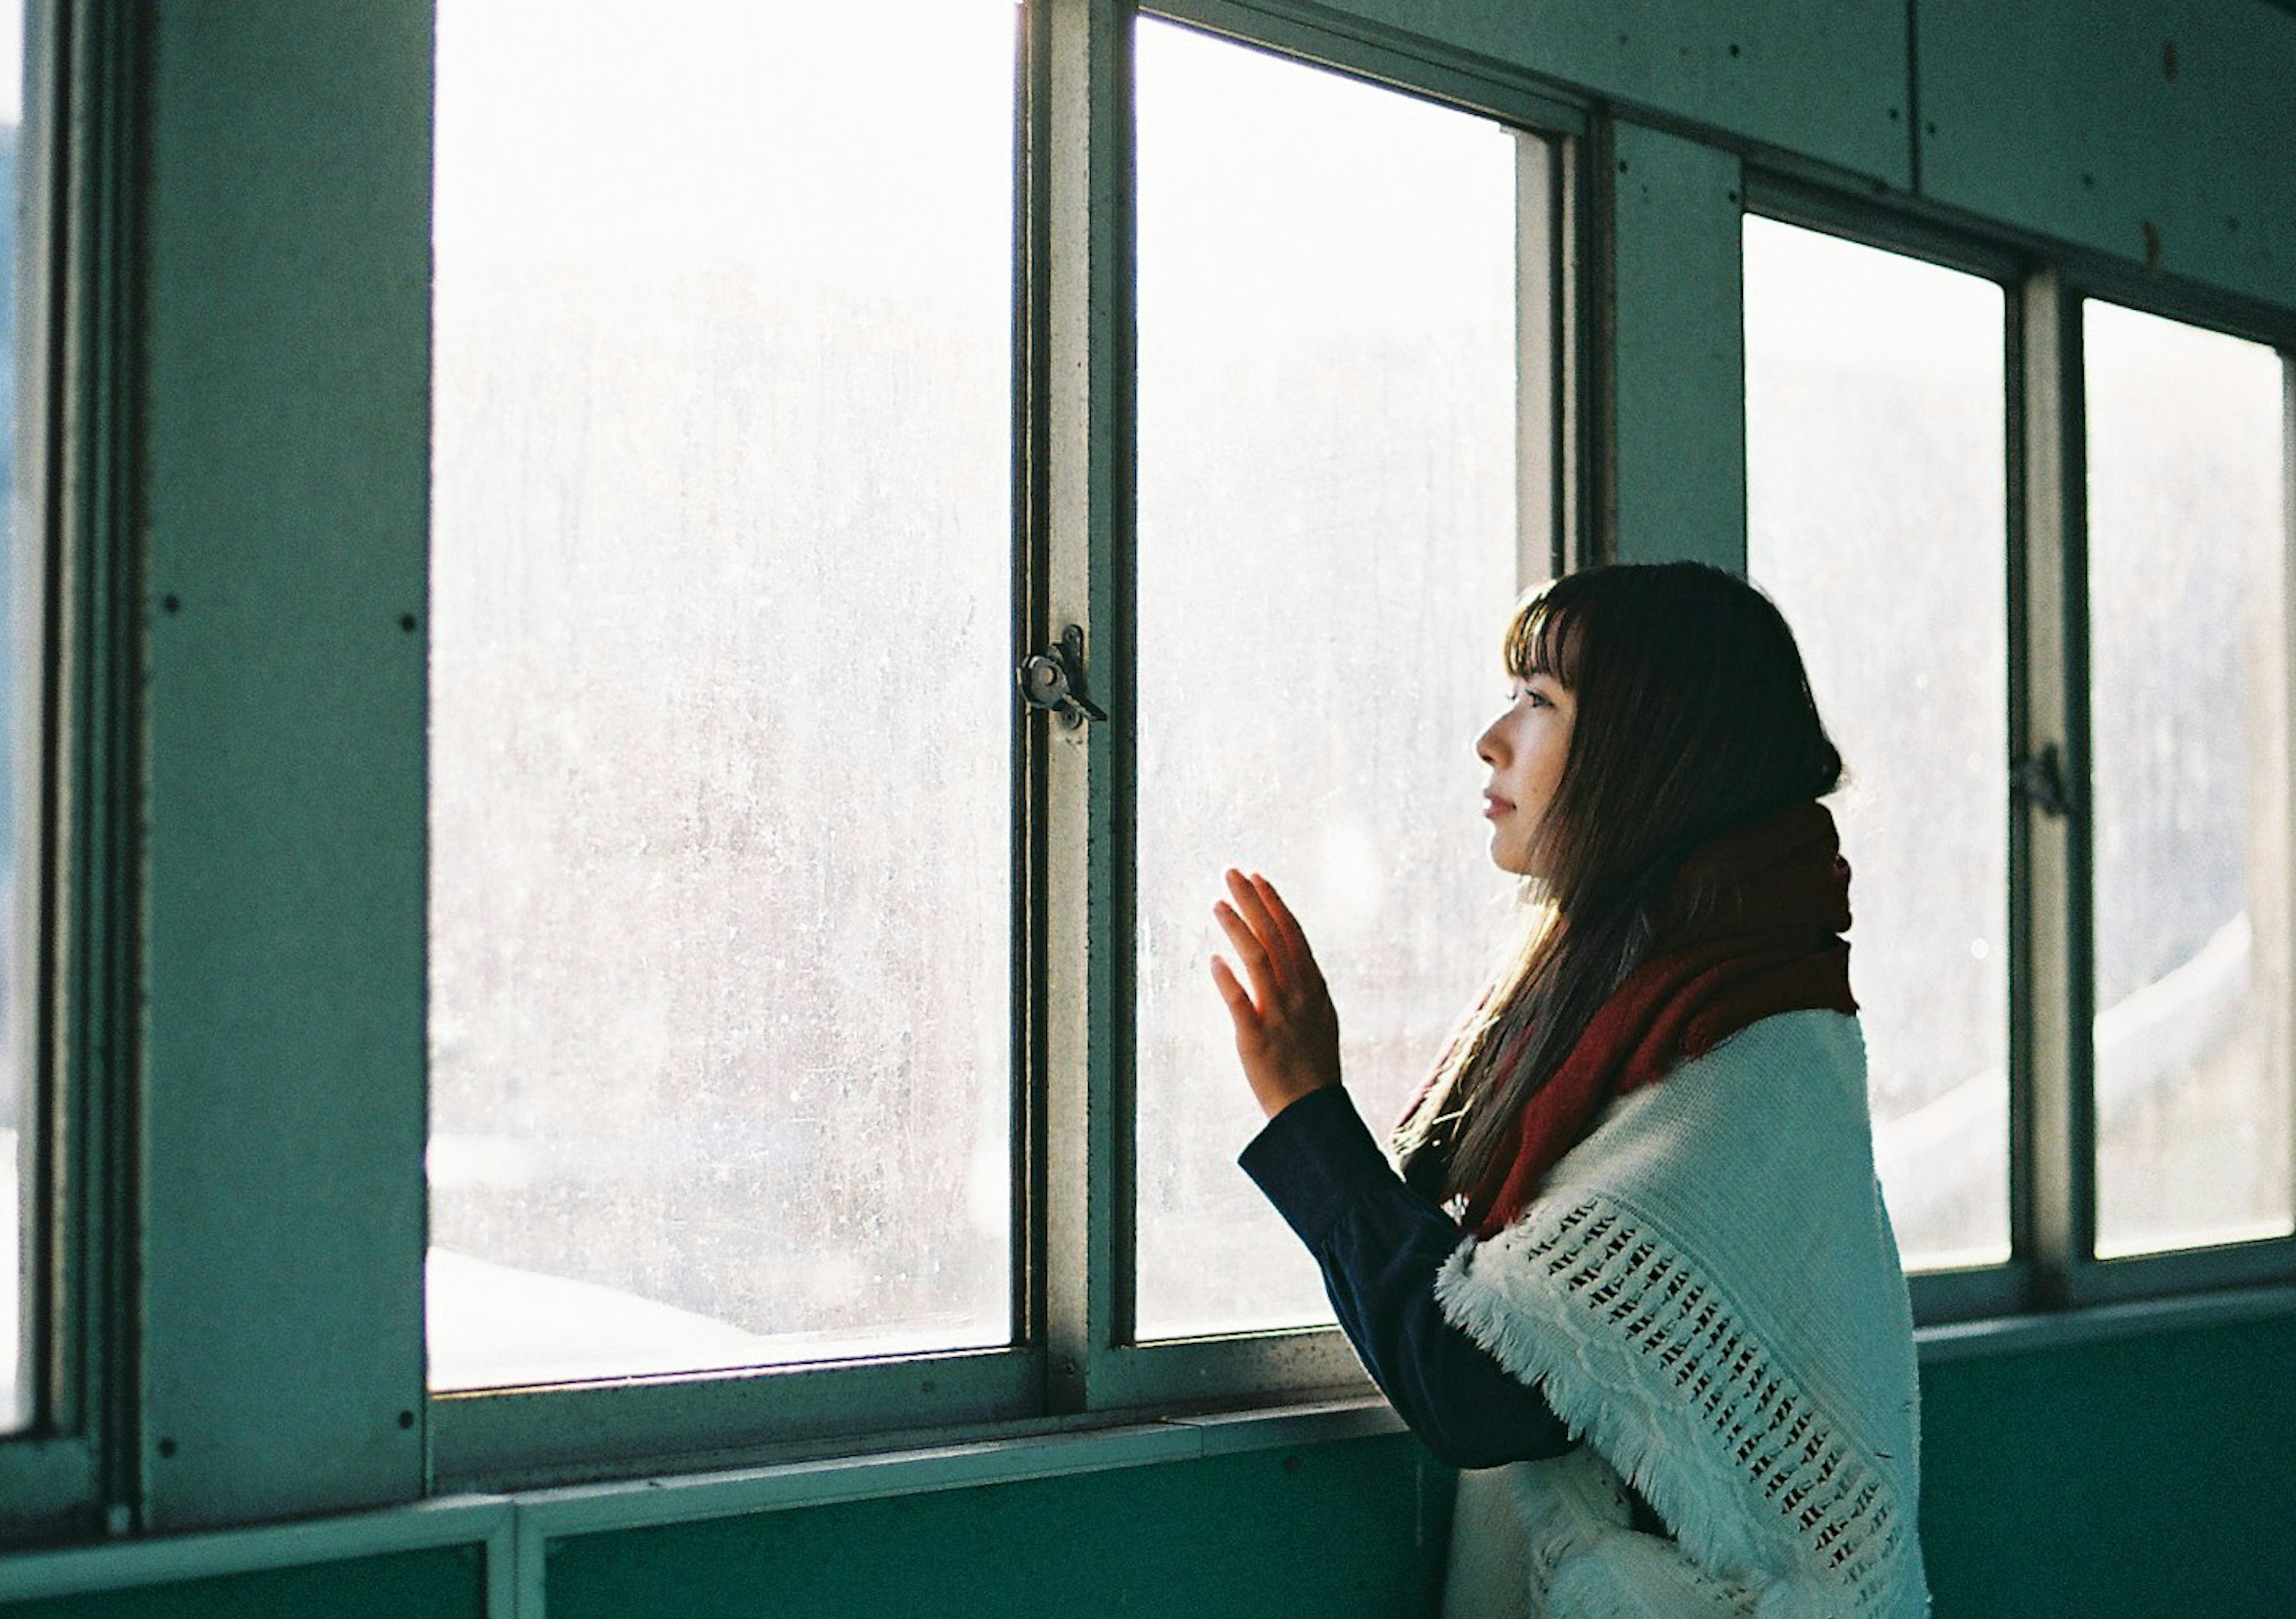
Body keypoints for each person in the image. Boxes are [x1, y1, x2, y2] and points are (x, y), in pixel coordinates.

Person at [1210, 561, 1929, 1619]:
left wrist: (1306, 1106)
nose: (1492, 740)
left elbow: (1482, 1389)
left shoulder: (1748, 1051)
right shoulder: (1637, 988)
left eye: (1540, 701)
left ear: (1649, 753)